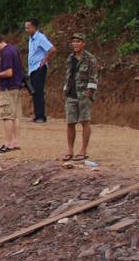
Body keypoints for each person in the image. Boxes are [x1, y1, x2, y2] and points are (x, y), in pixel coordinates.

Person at [62, 33, 100, 162]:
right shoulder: (70, 58)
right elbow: (68, 75)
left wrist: (89, 94)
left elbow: (93, 77)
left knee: (85, 121)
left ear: (83, 43)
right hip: (70, 93)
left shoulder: (90, 59)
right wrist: (65, 90)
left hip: (84, 94)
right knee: (70, 122)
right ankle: (70, 151)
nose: (75, 44)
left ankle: (83, 150)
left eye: (78, 41)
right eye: (73, 42)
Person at [0, 34, 25, 153]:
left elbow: (9, 73)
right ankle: (15, 142)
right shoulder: (13, 49)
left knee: (7, 115)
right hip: (17, 86)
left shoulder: (6, 53)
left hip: (8, 87)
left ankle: (8, 143)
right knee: (15, 116)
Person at [25, 19, 53, 123]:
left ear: (34, 27)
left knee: (38, 91)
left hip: (39, 68)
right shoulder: (31, 38)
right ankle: (37, 115)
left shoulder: (40, 37)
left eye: (28, 27)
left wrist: (44, 60)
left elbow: (52, 49)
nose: (26, 30)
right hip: (33, 68)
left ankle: (41, 116)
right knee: (34, 92)